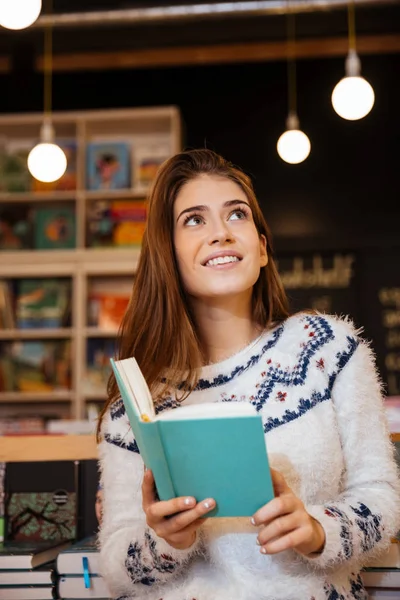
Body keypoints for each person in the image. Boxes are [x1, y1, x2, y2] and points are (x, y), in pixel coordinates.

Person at [97, 148, 400, 600]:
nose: (220, 233)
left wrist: (316, 529)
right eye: (194, 220)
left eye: (236, 214)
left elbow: (382, 498)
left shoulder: (329, 349)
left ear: (261, 248)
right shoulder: (135, 406)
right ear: (169, 254)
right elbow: (117, 566)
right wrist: (167, 541)